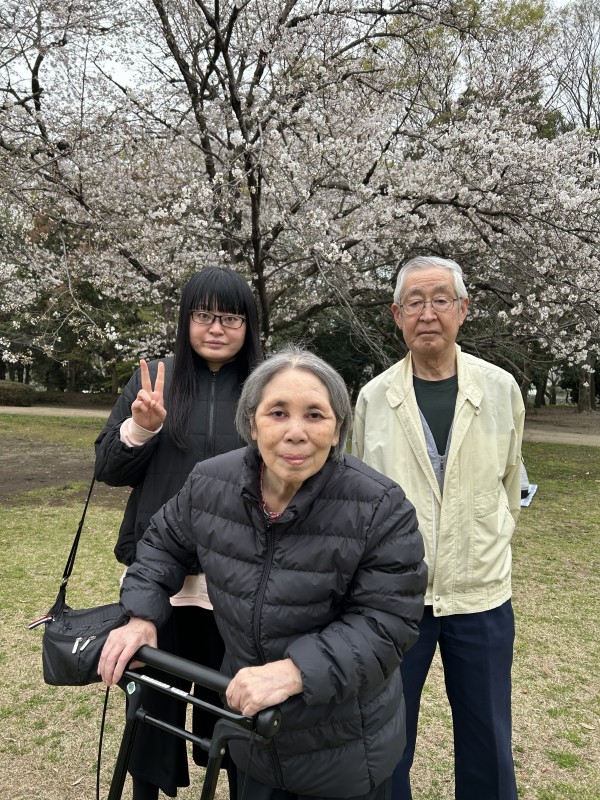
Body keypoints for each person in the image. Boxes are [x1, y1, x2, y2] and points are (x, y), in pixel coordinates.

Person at [98, 346, 428, 800]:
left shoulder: (380, 507)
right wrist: (141, 614)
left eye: (315, 415)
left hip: (344, 748)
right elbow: (160, 544)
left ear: (337, 429)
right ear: (252, 423)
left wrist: (295, 671)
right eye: (278, 413)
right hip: (250, 735)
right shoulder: (210, 482)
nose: (296, 432)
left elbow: (387, 622)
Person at [352, 256, 525, 800]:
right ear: (396, 315)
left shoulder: (500, 389)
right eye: (415, 303)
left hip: (481, 594)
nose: (428, 314)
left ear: (463, 309)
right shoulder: (373, 397)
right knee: (386, 740)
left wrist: (487, 537)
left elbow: (509, 482)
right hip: (396, 599)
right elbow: (359, 495)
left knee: (488, 735)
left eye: (441, 300)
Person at [94, 267, 263, 800]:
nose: (216, 328)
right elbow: (108, 469)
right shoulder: (154, 378)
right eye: (204, 315)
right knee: (152, 706)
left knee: (233, 705)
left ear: (248, 325)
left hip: (237, 579)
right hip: (160, 577)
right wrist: (142, 427)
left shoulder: (265, 386)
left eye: (230, 318)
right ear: (186, 320)